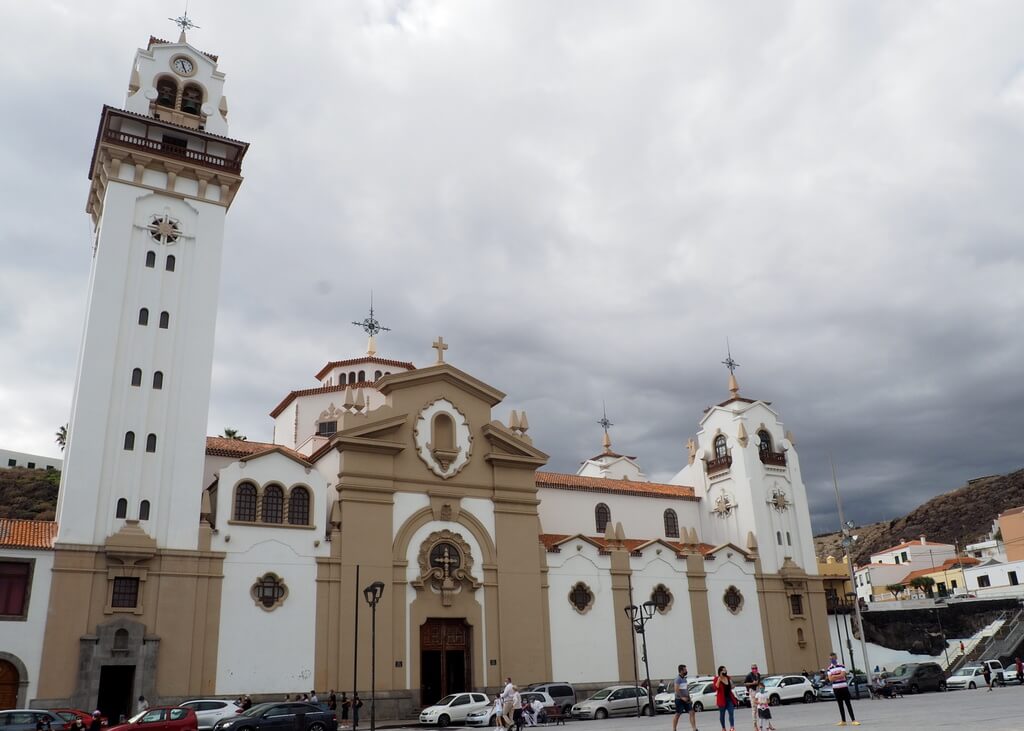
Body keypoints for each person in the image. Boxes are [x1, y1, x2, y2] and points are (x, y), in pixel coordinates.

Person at [826, 659, 859, 726]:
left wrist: (834, 676)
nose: (832, 660)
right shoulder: (829, 668)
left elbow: (843, 675)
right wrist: (839, 675)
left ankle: (853, 720)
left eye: (833, 658)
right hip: (836, 688)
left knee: (848, 704)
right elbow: (830, 679)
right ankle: (843, 721)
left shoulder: (841, 666)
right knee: (840, 705)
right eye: (831, 659)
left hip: (844, 687)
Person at [714, 666, 739, 731]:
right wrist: (719, 680)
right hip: (722, 700)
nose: (725, 671)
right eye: (724, 670)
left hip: (729, 699)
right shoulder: (716, 678)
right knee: (722, 715)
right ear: (720, 671)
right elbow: (716, 687)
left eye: (726, 670)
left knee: (731, 712)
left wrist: (731, 682)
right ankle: (723, 728)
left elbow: (732, 687)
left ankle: (732, 727)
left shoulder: (728, 677)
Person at [672, 664, 696, 731]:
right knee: (678, 714)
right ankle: (674, 729)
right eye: (685, 670)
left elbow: (686, 689)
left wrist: (689, 698)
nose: (686, 671)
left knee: (692, 712)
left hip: (686, 699)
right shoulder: (678, 679)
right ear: (681, 671)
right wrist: (682, 697)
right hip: (679, 699)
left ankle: (694, 728)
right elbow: (676, 689)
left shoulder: (684, 679)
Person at [743, 664, 762, 731]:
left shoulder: (758, 675)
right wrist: (752, 683)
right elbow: (745, 683)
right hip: (752, 691)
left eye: (755, 668)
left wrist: (761, 687)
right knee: (754, 708)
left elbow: (759, 683)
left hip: (758, 690)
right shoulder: (749, 675)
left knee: (760, 707)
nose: (754, 670)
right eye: (753, 668)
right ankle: (755, 725)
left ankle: (761, 724)